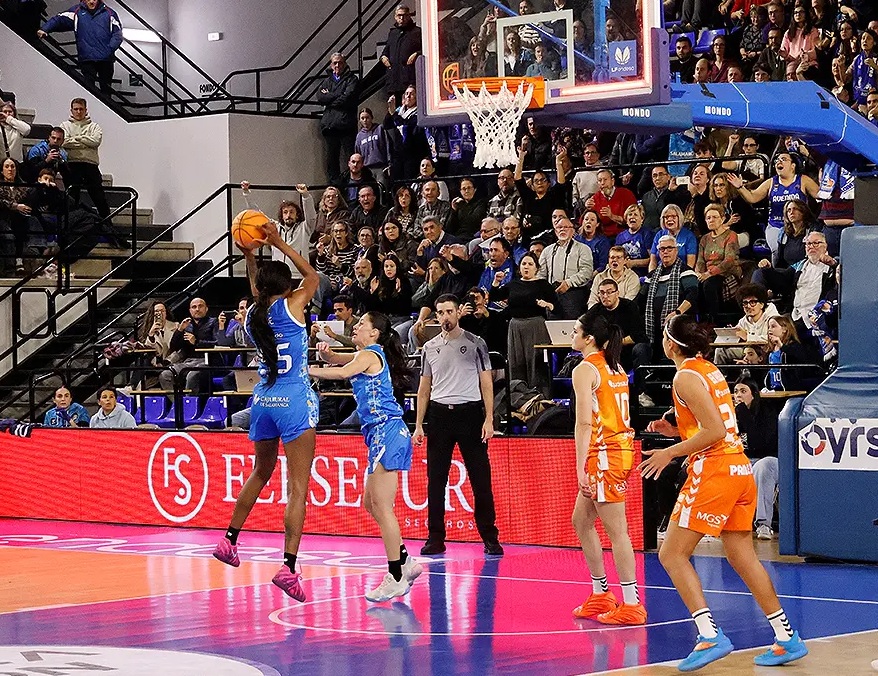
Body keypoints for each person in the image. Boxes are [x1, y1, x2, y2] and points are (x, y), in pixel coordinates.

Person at [641, 315, 808, 671]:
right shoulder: (709, 369)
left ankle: (709, 635)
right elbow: (715, 426)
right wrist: (675, 432)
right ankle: (786, 637)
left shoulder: (684, 375)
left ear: (671, 345)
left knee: (671, 554)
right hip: (739, 468)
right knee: (743, 557)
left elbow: (714, 430)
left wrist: (669, 451)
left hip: (715, 469)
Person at [212, 220, 321, 602]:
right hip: (294, 399)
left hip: (262, 400)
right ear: (287, 287)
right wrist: (278, 242)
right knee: (297, 488)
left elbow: (256, 286)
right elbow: (314, 274)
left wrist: (249, 253)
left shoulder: (254, 314)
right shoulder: (293, 306)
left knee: (260, 472)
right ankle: (289, 567)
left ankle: (229, 541)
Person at [309, 312, 423, 601]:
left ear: (374, 334)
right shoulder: (363, 356)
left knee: (383, 507)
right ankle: (405, 561)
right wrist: (329, 354)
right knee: (370, 503)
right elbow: (341, 363)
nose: (356, 327)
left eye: (361, 324)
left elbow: (343, 373)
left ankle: (395, 575)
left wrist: (306, 370)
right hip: (375, 434)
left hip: (388, 430)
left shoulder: (372, 354)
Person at [413, 294, 503, 556]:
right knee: (436, 480)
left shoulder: (476, 343)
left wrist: (489, 418)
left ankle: (489, 536)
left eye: (449, 312)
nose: (444, 317)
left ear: (457, 313)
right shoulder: (429, 348)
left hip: (470, 413)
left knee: (480, 479)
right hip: (440, 415)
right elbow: (423, 388)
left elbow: (486, 382)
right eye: (440, 313)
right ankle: (435, 537)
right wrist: (419, 424)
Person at [570, 313, 645, 625]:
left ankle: (631, 603)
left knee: (617, 532)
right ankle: (601, 593)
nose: (571, 335)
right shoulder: (613, 365)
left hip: (605, 453)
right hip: (621, 448)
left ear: (589, 338)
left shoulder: (585, 369)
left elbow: (584, 422)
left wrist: (580, 467)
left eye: (575, 331)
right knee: (581, 521)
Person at [489, 252, 557, 396]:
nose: (526, 267)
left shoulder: (543, 285)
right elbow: (494, 297)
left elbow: (557, 307)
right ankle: (518, 395)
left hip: (536, 326)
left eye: (530, 264)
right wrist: (496, 282)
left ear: (536, 268)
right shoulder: (514, 284)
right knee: (517, 362)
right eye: (524, 264)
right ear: (520, 267)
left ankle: (540, 395)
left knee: (535, 363)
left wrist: (547, 305)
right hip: (516, 326)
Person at [727, 152, 819, 256]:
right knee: (777, 250)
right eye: (777, 160)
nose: (779, 162)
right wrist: (740, 187)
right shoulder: (771, 182)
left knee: (799, 250)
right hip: (776, 225)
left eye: (783, 159)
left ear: (793, 166)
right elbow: (752, 198)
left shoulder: (803, 180)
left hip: (799, 226)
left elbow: (820, 195)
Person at [39, 0, 123, 95]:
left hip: (105, 60)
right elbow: (59, 19)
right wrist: (45, 29)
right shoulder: (76, 11)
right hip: (87, 60)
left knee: (106, 92)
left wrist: (109, 49)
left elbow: (118, 34)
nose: (91, 1)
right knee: (88, 91)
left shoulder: (110, 13)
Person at [732, 378, 779, 540]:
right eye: (736, 391)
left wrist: (744, 414)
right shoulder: (730, 415)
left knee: (763, 466)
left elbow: (761, 444)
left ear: (754, 395)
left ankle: (764, 524)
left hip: (770, 460)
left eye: (743, 391)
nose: (738, 395)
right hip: (743, 461)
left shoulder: (767, 413)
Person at [59, 98, 110, 218]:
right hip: (72, 164)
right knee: (72, 197)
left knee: (99, 197)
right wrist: (86, 140)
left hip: (90, 165)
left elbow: (96, 141)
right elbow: (64, 142)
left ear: (86, 110)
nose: (78, 111)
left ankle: (108, 224)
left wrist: (76, 138)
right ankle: (71, 225)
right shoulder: (64, 126)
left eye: (81, 109)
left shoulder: (94, 126)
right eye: (75, 109)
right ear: (71, 110)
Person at [158, 297, 218, 394]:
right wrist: (180, 330)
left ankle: (190, 404)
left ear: (206, 309)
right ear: (190, 311)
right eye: (194, 307)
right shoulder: (187, 325)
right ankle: (178, 403)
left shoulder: (213, 322)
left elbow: (218, 343)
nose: (197, 309)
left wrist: (196, 342)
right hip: (188, 361)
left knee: (192, 375)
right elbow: (174, 346)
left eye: (200, 306)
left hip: (207, 361)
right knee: (165, 375)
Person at [537, 217, 593, 319]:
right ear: (555, 231)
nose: (562, 230)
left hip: (574, 295)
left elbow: (587, 272)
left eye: (566, 227)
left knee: (572, 329)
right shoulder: (547, 251)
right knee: (553, 327)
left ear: (573, 231)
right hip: (552, 295)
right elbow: (541, 274)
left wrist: (568, 283)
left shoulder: (583, 249)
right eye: (559, 227)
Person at [317, 53, 359, 184]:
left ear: (345, 63)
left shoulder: (352, 79)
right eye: (334, 63)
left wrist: (330, 98)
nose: (337, 65)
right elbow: (320, 97)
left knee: (351, 159)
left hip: (346, 126)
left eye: (340, 62)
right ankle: (335, 187)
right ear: (331, 64)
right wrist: (338, 95)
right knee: (331, 161)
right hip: (330, 127)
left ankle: (351, 186)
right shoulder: (326, 81)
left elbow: (348, 96)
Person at [381, 5, 422, 102]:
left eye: (404, 15)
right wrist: (383, 57)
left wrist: (417, 53)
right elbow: (386, 50)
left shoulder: (417, 32)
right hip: (393, 80)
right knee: (394, 111)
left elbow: (425, 48)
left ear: (409, 16)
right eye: (399, 15)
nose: (402, 18)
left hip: (409, 79)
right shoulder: (393, 33)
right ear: (395, 17)